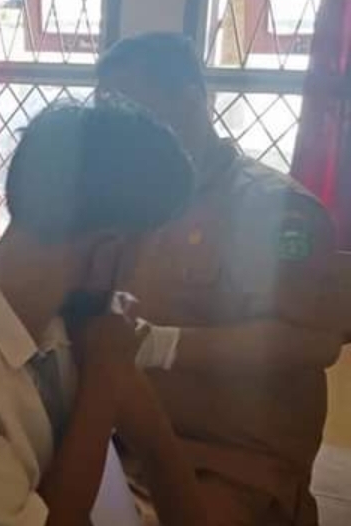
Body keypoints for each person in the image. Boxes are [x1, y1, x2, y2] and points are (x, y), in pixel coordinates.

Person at [0, 101, 208, 526]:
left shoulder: (80, 318)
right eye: (159, 250)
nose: (172, 270)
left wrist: (111, 373)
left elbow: (158, 451)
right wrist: (104, 381)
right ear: (106, 253)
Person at [96, 32, 349, 526]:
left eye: (132, 112)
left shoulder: (273, 210)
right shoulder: (139, 202)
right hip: (132, 439)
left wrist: (165, 346)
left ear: (192, 101)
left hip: (233, 460)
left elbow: (314, 343)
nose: (119, 135)